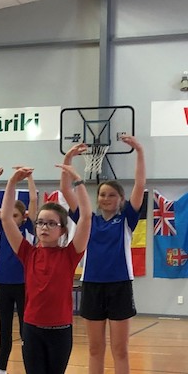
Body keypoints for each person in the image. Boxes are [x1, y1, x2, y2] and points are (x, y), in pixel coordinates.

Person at [60, 136, 145, 374]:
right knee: (95, 349)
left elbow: (140, 184)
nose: (105, 199)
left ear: (121, 200)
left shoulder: (126, 220)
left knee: (120, 349)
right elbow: (66, 190)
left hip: (119, 286)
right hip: (92, 286)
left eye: (111, 195)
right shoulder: (88, 221)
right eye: (102, 194)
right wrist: (68, 159)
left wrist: (138, 150)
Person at [0, 165, 91, 374]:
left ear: (62, 230)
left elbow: (86, 217)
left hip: (60, 331)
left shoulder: (70, 254)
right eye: (40, 222)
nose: (44, 227)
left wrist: (78, 181)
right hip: (32, 330)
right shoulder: (27, 252)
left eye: (51, 223)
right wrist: (12, 182)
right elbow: (6, 218)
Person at [0, 166, 37, 374]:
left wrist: (29, 178)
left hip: (25, 285)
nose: (12, 218)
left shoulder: (28, 229)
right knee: (4, 331)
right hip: (5, 284)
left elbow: (34, 200)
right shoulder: (1, 229)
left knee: (27, 331)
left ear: (23, 218)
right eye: (10, 214)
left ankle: (31, 368)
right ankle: (0, 369)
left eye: (16, 215)